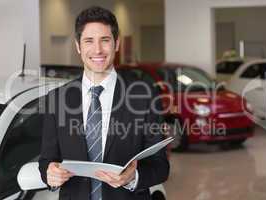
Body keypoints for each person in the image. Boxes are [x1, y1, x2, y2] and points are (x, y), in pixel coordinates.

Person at [38, 6, 169, 200]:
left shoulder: (143, 96)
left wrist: (133, 177)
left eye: (105, 40)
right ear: (78, 46)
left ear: (116, 44)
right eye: (89, 41)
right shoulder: (57, 99)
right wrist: (49, 173)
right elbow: (47, 159)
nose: (98, 49)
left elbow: (161, 166)